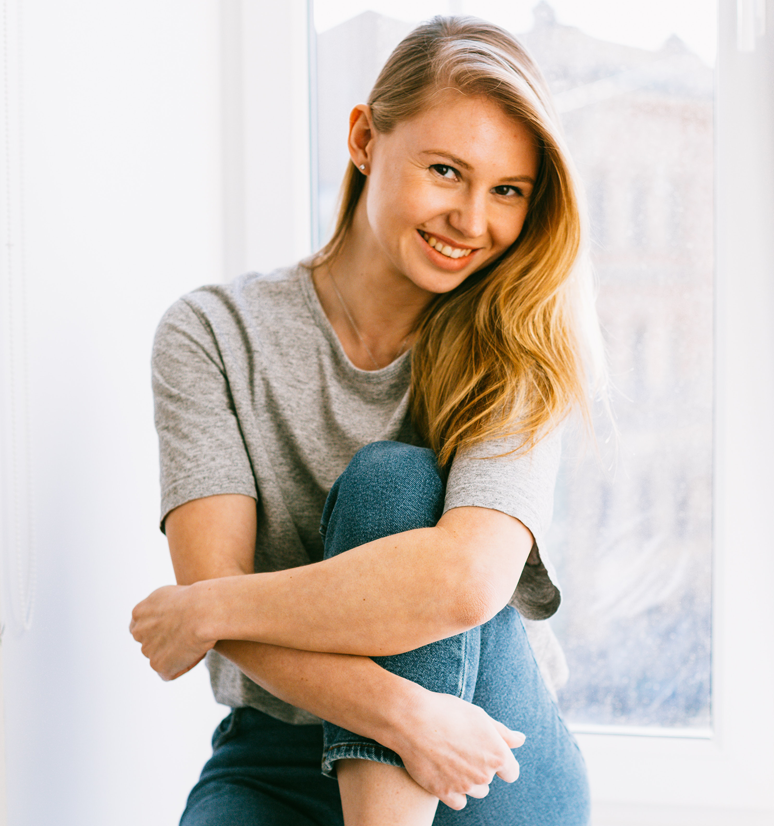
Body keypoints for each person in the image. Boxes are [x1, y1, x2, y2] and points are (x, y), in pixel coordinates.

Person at [130, 15, 603, 826]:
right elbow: (214, 576)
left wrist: (209, 608)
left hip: (484, 745)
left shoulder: (517, 347)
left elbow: (465, 581)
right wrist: (402, 716)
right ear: (362, 139)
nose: (472, 220)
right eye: (446, 170)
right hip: (285, 747)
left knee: (394, 480)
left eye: (508, 192)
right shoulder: (212, 333)